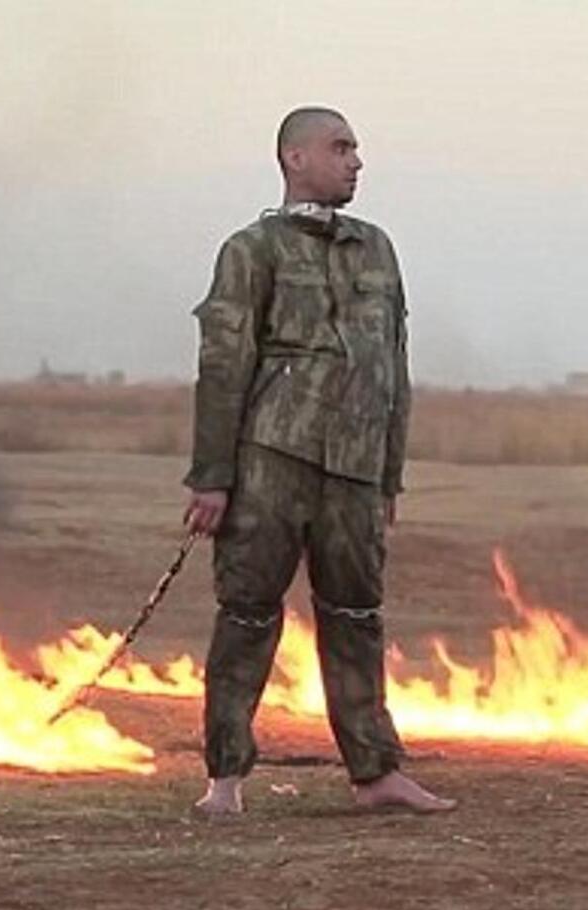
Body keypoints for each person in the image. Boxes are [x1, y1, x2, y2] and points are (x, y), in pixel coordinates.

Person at [182, 106, 454, 814]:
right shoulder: (253, 250)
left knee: (356, 614)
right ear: (295, 158)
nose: (356, 161)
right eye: (340, 148)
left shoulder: (377, 250)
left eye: (356, 148)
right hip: (272, 461)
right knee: (247, 614)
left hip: (356, 470)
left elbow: (393, 366)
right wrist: (212, 478)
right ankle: (224, 781)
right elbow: (223, 366)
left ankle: (377, 774)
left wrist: (388, 475)